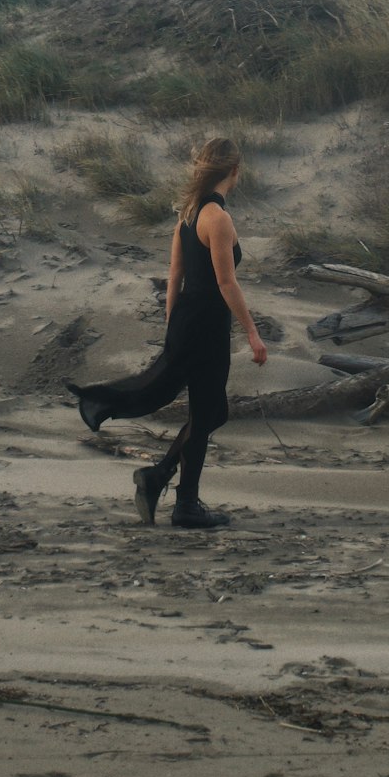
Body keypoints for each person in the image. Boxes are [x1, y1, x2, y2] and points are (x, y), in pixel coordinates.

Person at [65, 135, 267, 530]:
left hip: (188, 321)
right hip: (208, 327)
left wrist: (172, 323)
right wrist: (254, 335)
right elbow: (227, 284)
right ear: (235, 171)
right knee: (209, 413)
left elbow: (175, 275)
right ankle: (180, 500)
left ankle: (165, 483)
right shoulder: (219, 218)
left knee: (207, 412)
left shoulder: (189, 214)